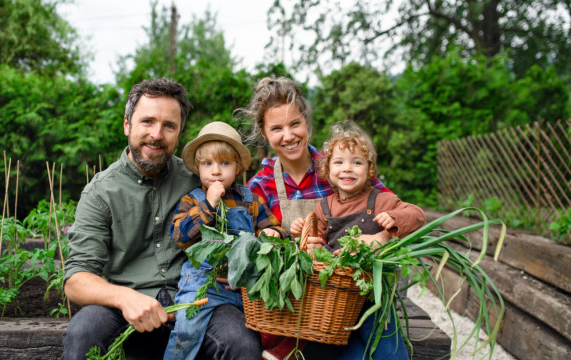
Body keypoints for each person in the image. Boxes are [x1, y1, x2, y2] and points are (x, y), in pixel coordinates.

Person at [62, 78, 261, 360]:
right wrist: (124, 297)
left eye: (169, 126)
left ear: (179, 133)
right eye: (147, 122)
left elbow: (246, 218)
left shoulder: (200, 180)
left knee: (240, 339)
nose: (157, 134)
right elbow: (76, 280)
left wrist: (238, 265)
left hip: (198, 302)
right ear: (127, 125)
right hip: (125, 310)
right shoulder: (101, 192)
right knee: (85, 331)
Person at [239, 76, 394, 359]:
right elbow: (250, 250)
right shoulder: (259, 187)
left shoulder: (339, 165)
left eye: (294, 124)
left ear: (307, 123)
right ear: (264, 133)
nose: (288, 135)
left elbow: (393, 207)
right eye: (276, 128)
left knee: (386, 354)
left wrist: (383, 235)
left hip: (358, 295)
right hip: (299, 315)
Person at [290, 122, 426, 360]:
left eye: (357, 162)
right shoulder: (323, 208)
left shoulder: (380, 200)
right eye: (339, 162)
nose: (348, 169)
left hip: (371, 299)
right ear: (328, 169)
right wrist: (311, 243)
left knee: (390, 354)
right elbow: (318, 244)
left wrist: (392, 220)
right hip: (336, 303)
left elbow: (417, 214)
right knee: (351, 354)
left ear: (369, 169)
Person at [164, 121, 288, 360]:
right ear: (198, 168)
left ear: (238, 168)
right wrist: (208, 205)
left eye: (224, 163)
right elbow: (179, 236)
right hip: (201, 284)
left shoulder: (250, 200)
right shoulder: (193, 199)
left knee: (263, 334)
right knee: (186, 330)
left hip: (243, 288)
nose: (216, 171)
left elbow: (274, 228)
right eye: (208, 164)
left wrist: (273, 235)